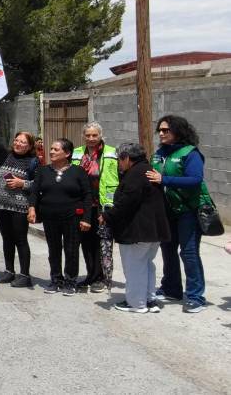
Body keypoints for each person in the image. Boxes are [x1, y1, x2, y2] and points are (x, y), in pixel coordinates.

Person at [147, 115, 207, 313]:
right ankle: (171, 288)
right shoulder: (159, 153)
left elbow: (195, 179)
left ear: (178, 131)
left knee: (188, 253)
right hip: (166, 210)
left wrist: (164, 179)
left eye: (166, 130)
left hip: (187, 211)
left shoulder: (190, 153)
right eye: (160, 130)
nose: (162, 133)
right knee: (168, 250)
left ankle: (195, 296)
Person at [101, 143, 170, 313]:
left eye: (120, 160)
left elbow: (126, 202)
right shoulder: (147, 170)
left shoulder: (135, 174)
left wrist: (107, 216)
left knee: (134, 267)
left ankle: (136, 303)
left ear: (127, 158)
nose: (119, 164)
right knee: (146, 265)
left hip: (138, 231)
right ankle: (148, 299)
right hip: (151, 231)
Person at [28, 138, 93, 296]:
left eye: (56, 150)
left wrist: (86, 218)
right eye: (51, 149)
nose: (51, 152)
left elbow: (87, 196)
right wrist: (32, 209)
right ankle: (56, 279)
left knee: (71, 250)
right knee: (54, 249)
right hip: (50, 217)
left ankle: (70, 281)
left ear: (67, 153)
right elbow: (35, 192)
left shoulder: (78, 171)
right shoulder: (43, 171)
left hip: (72, 217)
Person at [71, 121, 119, 293]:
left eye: (94, 135)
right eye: (88, 135)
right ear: (83, 136)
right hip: (83, 204)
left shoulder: (112, 152)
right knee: (86, 242)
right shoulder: (76, 153)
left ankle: (101, 277)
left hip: (103, 205)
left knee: (102, 243)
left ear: (100, 135)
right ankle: (91, 275)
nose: (91, 138)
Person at [0, 129, 38, 288]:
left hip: (19, 207)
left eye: (23, 142)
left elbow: (38, 185)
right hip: (1, 205)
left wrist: (22, 183)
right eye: (17, 140)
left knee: (20, 240)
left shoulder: (33, 161)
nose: (18, 144)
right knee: (6, 239)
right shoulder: (5, 156)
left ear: (29, 145)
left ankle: (24, 275)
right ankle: (9, 271)